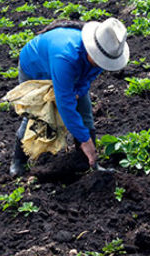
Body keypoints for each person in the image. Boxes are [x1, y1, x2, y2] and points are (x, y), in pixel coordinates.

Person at [9, 18, 130, 177]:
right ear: (91, 49)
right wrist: (85, 141)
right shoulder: (66, 56)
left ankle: (87, 162)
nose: (103, 65)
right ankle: (18, 160)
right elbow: (65, 104)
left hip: (67, 71)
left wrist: (79, 91)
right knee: (37, 117)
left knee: (85, 111)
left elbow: (87, 78)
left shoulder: (103, 55)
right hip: (35, 70)